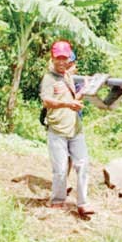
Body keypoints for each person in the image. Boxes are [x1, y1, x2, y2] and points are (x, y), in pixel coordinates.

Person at [40, 40, 94, 218]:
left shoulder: (68, 76)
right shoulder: (49, 78)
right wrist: (68, 104)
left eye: (65, 58)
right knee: (61, 169)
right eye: (59, 58)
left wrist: (84, 91)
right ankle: (57, 200)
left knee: (83, 165)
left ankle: (83, 203)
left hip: (75, 129)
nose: (62, 62)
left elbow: (72, 97)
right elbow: (47, 101)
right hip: (57, 130)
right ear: (53, 58)